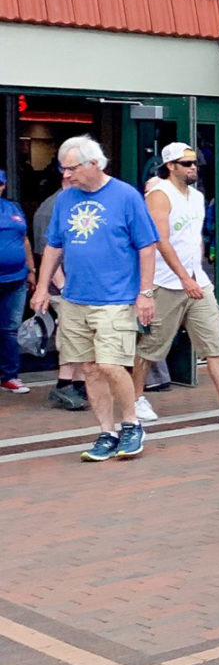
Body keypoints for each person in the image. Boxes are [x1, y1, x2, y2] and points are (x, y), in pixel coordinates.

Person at [30, 137, 157, 463]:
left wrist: (145, 293)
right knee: (89, 367)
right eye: (64, 168)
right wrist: (43, 287)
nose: (67, 175)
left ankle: (131, 424)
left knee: (110, 364)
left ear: (94, 164)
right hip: (75, 299)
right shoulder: (65, 200)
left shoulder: (126, 196)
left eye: (72, 168)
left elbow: (147, 246)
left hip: (115, 299)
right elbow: (54, 245)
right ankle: (106, 432)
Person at [131, 144, 219, 426]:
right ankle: (135, 398)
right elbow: (160, 241)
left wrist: (195, 270)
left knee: (214, 341)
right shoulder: (159, 195)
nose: (193, 168)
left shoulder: (198, 197)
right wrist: (184, 278)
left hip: (197, 281)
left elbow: (194, 236)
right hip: (165, 282)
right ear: (171, 166)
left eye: (194, 163)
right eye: (186, 163)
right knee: (151, 346)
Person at [32, 175, 86, 410]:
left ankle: (79, 384)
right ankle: (64, 386)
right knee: (70, 335)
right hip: (63, 288)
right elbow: (48, 254)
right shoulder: (51, 209)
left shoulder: (74, 204)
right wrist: (63, 287)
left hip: (79, 287)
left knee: (81, 335)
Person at [0, 171, 35, 396]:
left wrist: (31, 270)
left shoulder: (13, 208)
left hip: (16, 277)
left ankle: (9, 376)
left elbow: (24, 239)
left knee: (10, 330)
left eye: (0, 183)